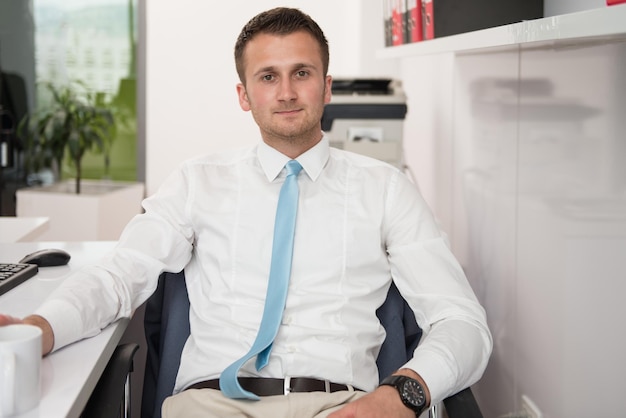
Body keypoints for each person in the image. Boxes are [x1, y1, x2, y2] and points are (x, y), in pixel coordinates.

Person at [0, 7, 492, 418]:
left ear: (326, 87)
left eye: (301, 73)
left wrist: (401, 394)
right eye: (267, 77)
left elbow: (462, 322)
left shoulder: (386, 189)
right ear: (244, 95)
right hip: (209, 405)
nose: (285, 92)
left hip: (340, 406)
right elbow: (119, 274)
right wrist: (41, 327)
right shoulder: (198, 181)